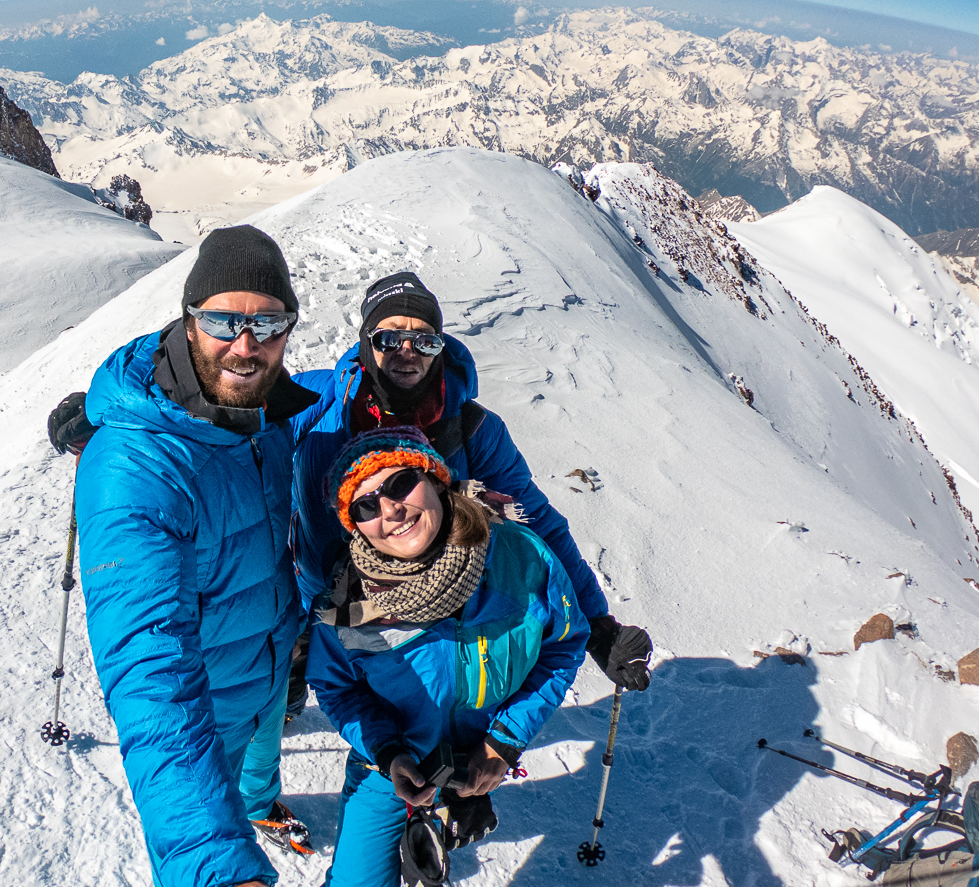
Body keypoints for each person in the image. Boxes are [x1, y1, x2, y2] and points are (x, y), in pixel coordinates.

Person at [68, 224, 319, 887]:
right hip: (209, 708)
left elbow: (333, 389)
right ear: (187, 320)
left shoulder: (265, 410)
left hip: (267, 665)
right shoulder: (135, 470)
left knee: (257, 771)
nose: (247, 345)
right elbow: (153, 679)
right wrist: (215, 868)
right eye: (224, 321)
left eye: (269, 323)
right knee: (219, 799)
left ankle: (260, 805)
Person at [290, 271, 651, 688]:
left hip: (409, 616)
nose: (406, 352)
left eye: (424, 341)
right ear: (366, 342)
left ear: (439, 349)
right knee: (287, 680)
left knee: (396, 716)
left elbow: (537, 521)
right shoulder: (315, 402)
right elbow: (233, 428)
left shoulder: (474, 429)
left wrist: (597, 625)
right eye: (389, 339)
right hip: (309, 593)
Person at [306, 428, 589, 886]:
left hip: (481, 759)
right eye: (365, 505)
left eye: (400, 484)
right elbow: (338, 687)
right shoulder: (349, 604)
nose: (390, 509)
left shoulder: (522, 560)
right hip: (391, 769)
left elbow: (563, 644)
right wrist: (388, 751)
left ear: (436, 478)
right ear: (354, 525)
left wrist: (502, 742)